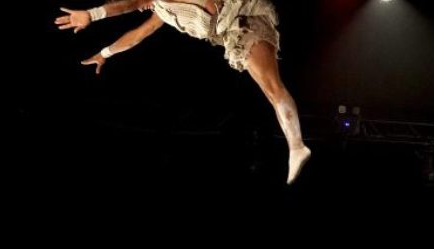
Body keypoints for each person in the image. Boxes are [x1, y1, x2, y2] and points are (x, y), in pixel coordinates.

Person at [57, 1, 311, 184]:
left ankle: (297, 146)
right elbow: (137, 35)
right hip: (231, 33)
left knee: (272, 87)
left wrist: (93, 14)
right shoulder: (162, 11)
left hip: (244, 18)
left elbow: (129, 5)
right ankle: (296, 146)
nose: (146, 7)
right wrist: (104, 54)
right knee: (270, 89)